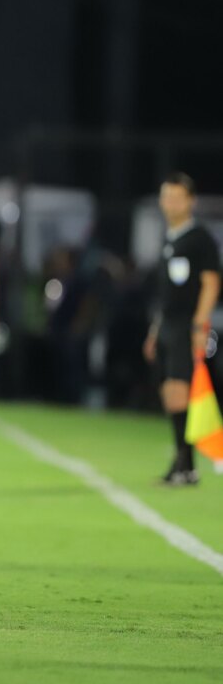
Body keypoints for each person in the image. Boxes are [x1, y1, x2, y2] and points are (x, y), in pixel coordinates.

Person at [144, 173, 221, 485]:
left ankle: (186, 465)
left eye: (177, 197)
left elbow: (211, 283)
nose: (170, 203)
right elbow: (166, 295)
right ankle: (181, 461)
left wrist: (199, 323)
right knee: (169, 391)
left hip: (186, 325)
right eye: (167, 197)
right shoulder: (169, 238)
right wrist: (154, 330)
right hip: (168, 325)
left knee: (180, 392)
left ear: (191, 201)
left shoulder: (200, 238)